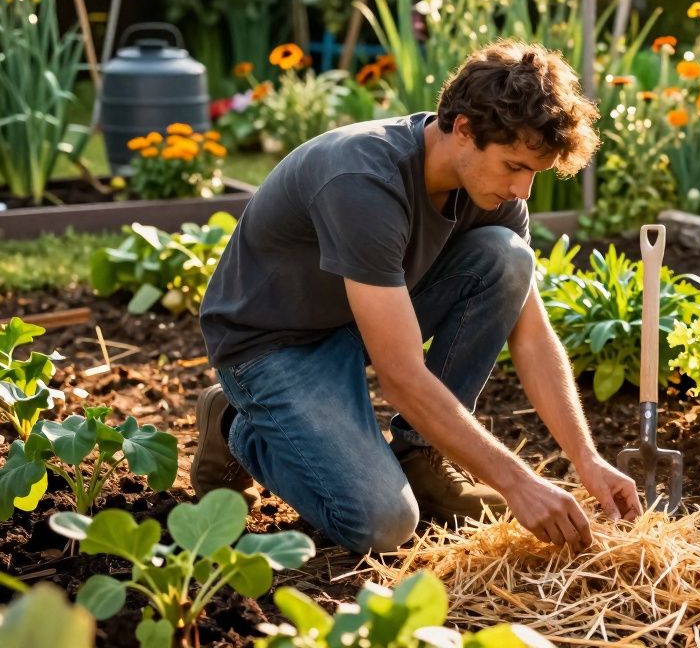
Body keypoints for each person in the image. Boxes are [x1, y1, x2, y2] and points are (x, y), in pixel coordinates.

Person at [193, 40, 640, 554]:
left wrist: (587, 459)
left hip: (354, 320)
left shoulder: (490, 192)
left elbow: (532, 335)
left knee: (507, 257)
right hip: (273, 346)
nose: (523, 191)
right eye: (514, 166)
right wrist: (517, 483)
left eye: (533, 173)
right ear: (464, 129)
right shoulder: (365, 180)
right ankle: (235, 424)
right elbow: (401, 376)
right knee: (383, 524)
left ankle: (421, 459)